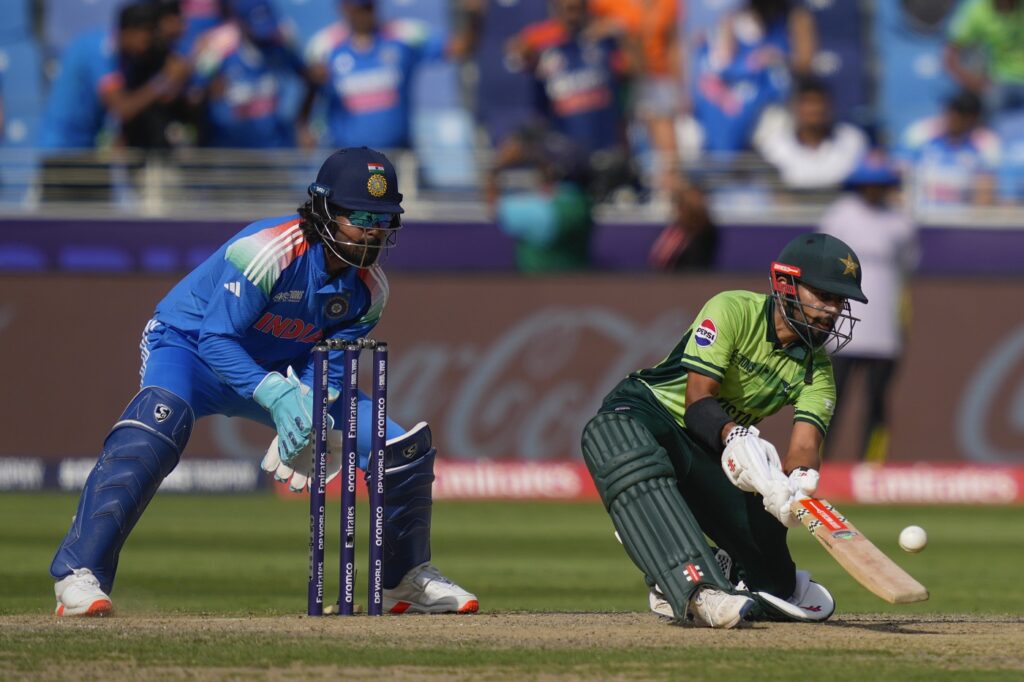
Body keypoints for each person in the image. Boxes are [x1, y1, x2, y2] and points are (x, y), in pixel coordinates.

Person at [49, 147, 479, 617]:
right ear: (323, 211)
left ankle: (404, 579)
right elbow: (216, 339)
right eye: (359, 218)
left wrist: (310, 410)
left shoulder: (370, 290)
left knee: (397, 448)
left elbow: (330, 366)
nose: (372, 232)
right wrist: (276, 396)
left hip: (279, 371)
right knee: (157, 424)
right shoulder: (267, 250)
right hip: (189, 350)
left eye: (383, 220)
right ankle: (78, 572)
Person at [581, 232, 868, 628]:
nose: (831, 311)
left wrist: (797, 482)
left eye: (839, 301)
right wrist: (735, 436)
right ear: (786, 284)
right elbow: (698, 401)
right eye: (823, 295)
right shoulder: (733, 309)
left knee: (775, 580)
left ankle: (721, 565)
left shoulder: (817, 370)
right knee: (616, 438)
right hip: (652, 416)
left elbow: (805, 445)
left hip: (709, 450)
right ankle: (692, 586)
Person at [818, 154, 918, 462]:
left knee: (877, 401)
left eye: (880, 184)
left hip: (884, 329)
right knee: (829, 399)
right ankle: (816, 461)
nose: (874, 191)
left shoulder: (901, 222)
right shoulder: (839, 215)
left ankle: (871, 466)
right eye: (868, 184)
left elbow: (908, 266)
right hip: (841, 325)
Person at [300, 0, 466, 150]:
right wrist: (303, 125)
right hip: (346, 158)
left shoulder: (403, 34)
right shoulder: (324, 45)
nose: (364, 14)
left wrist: (472, 15)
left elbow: (458, 47)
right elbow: (309, 89)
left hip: (397, 155)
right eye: (358, 9)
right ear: (344, 8)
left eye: (368, 7)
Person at [753, 76, 867, 190]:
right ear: (795, 107)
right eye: (808, 103)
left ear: (830, 106)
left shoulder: (853, 140)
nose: (815, 109)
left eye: (819, 102)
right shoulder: (773, 146)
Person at [899, 89, 1000, 209]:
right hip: (919, 212)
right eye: (949, 111)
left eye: (958, 113)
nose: (951, 117)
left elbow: (985, 191)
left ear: (972, 118)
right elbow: (899, 177)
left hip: (961, 215)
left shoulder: (985, 142)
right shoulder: (921, 133)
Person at [944, 0, 1024, 119]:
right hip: (997, 83)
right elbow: (950, 55)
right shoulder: (976, 9)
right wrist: (974, 83)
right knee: (986, 108)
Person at [648, 177, 719, 271]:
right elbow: (658, 260)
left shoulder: (705, 233)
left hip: (689, 277)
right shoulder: (676, 231)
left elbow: (694, 265)